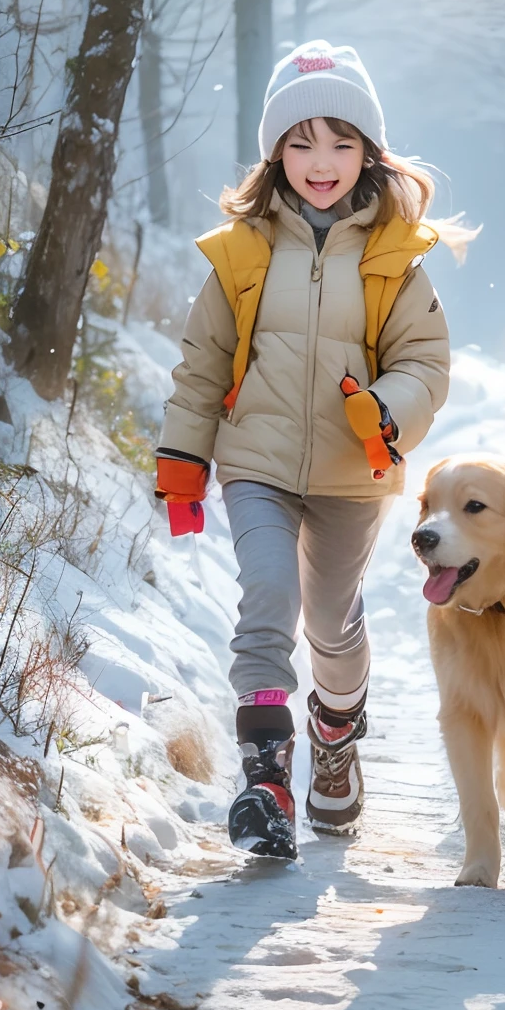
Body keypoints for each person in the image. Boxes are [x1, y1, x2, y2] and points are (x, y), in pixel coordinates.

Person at [155, 42, 451, 860]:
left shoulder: (394, 255)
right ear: (275, 153)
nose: (321, 162)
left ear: (369, 153)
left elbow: (426, 362)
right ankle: (265, 778)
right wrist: (184, 459)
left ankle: (335, 734)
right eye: (301, 141)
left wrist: (383, 412)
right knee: (268, 595)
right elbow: (203, 361)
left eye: (341, 142)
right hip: (256, 461)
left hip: (353, 476)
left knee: (330, 621)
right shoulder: (242, 251)